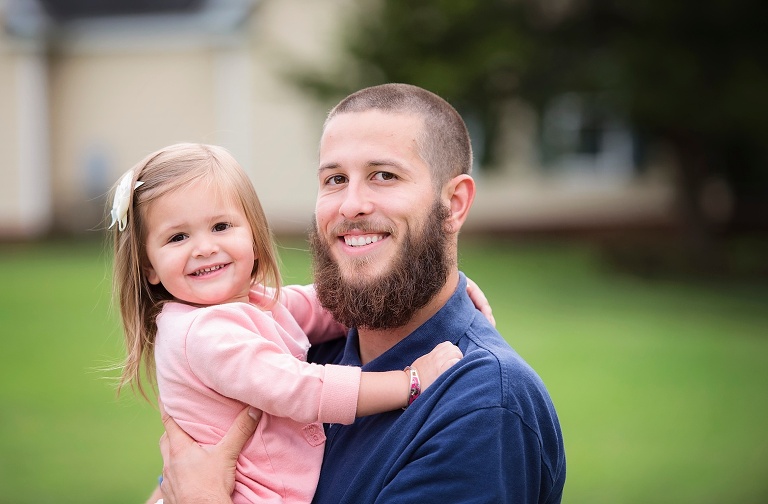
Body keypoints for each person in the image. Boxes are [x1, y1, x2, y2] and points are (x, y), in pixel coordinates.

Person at [154, 83, 566, 503]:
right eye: (335, 179)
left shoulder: (481, 406)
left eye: (383, 176)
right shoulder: (297, 354)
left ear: (454, 204)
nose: (350, 205)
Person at [108, 142, 470, 504]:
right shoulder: (201, 334)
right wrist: (409, 382)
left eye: (220, 226)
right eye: (177, 237)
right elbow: (299, 389)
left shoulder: (250, 301)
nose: (203, 248)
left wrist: (440, 292)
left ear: (253, 235)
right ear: (149, 266)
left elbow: (325, 305)